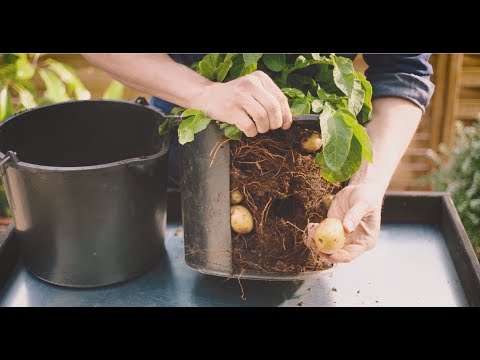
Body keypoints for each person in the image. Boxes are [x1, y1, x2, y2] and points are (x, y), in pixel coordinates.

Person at [83, 53, 435, 264]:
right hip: (188, 183)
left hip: (309, 188)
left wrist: (367, 182)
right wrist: (203, 91)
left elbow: (402, 70)